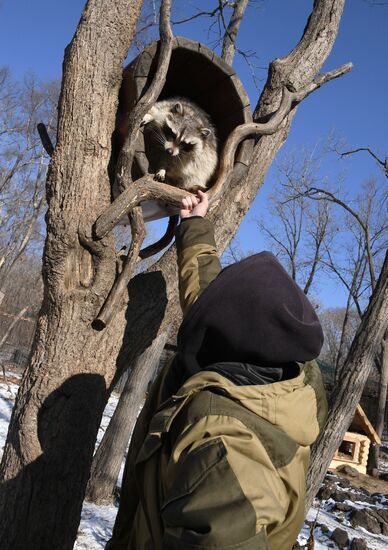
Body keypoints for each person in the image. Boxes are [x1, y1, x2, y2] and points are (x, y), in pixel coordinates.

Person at [106, 190, 328, 550]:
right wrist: (194, 225)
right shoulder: (271, 361)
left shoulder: (226, 449)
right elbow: (206, 291)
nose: (206, 306)